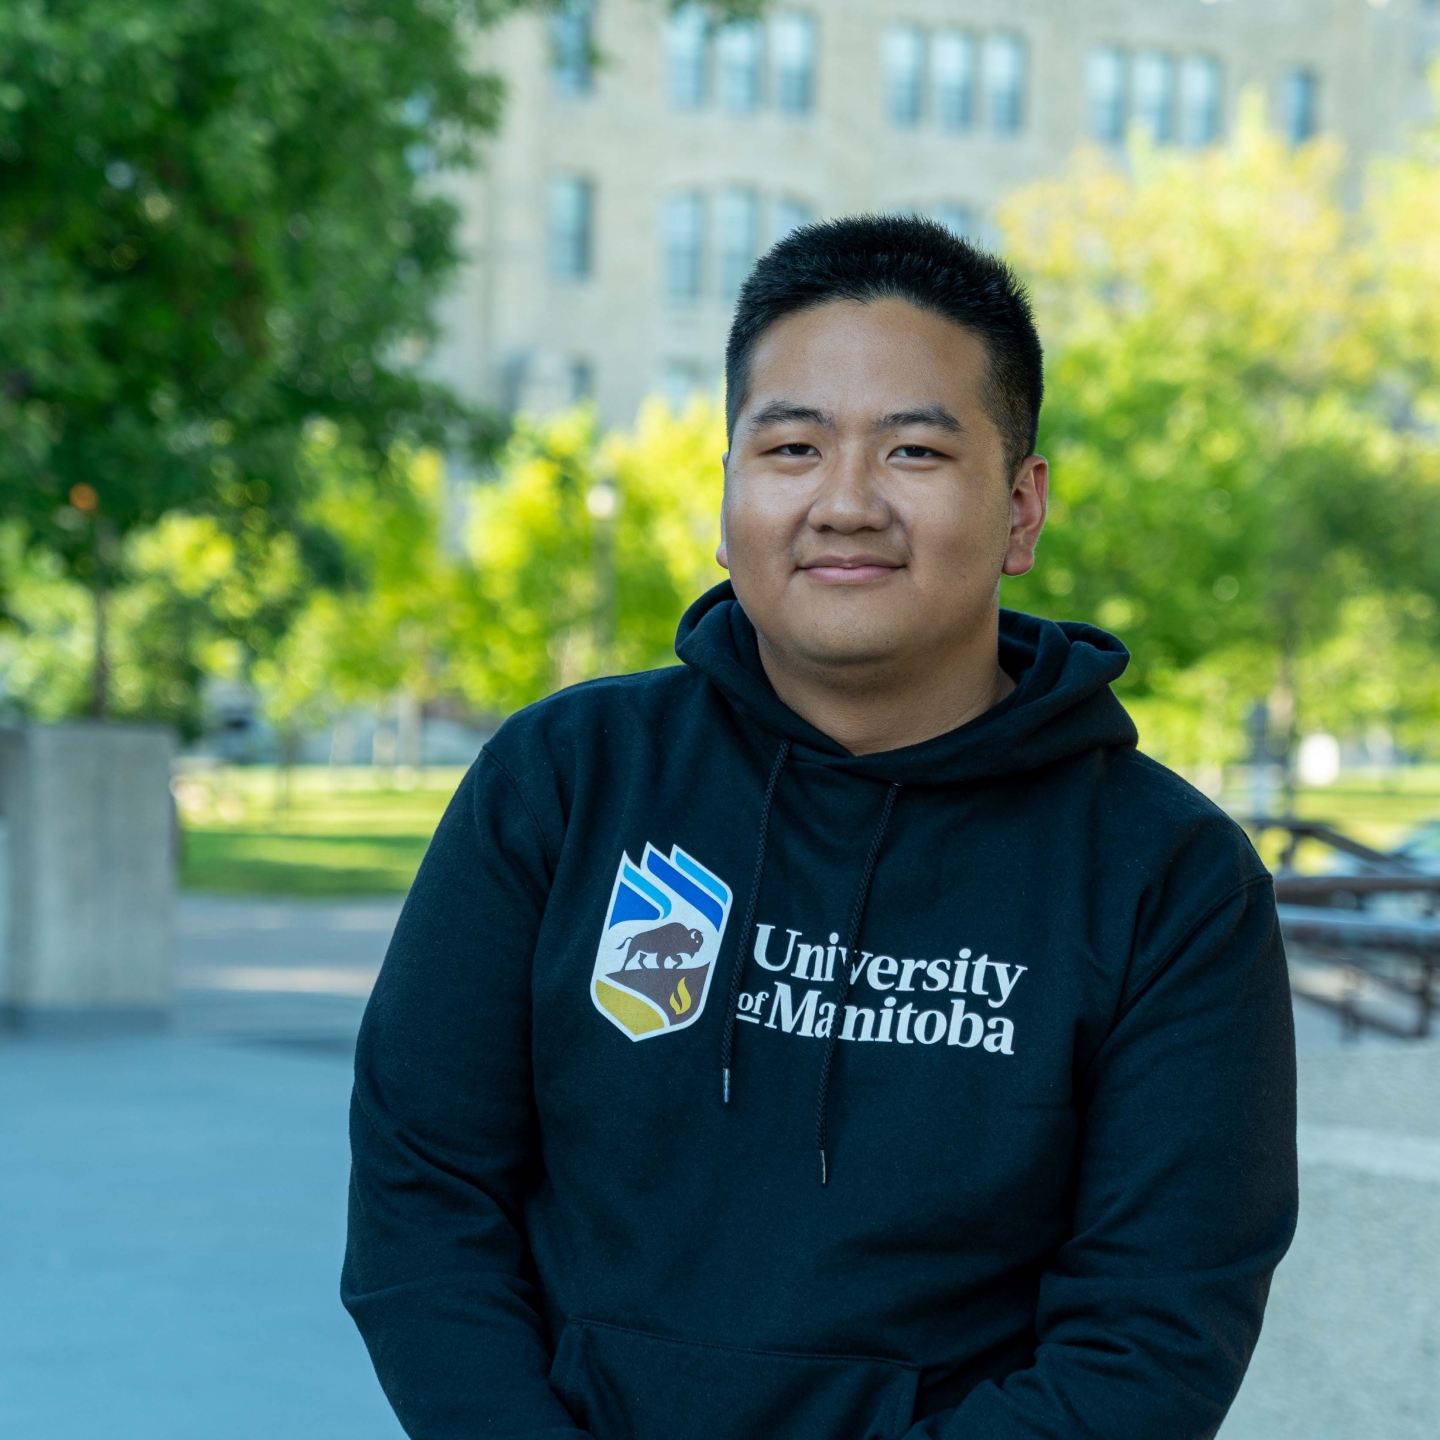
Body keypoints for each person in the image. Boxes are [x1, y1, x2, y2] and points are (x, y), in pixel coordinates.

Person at [342, 215, 1297, 1440]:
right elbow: (425, 1201)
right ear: (731, 489)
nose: (844, 503)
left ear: (1020, 508)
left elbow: (1153, 1335)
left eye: (912, 451)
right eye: (791, 446)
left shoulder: (1171, 879)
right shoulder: (566, 780)